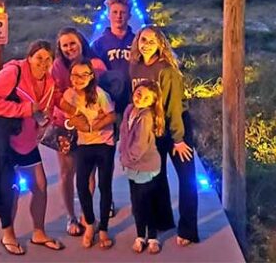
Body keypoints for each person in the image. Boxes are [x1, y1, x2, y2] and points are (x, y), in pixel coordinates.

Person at [0, 40, 64, 256]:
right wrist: (25, 108)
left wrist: (44, 118)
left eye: (48, 59)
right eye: (39, 58)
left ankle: (39, 232)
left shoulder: (49, 81)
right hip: (5, 141)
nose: (43, 63)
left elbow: (44, 108)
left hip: (27, 141)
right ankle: (8, 234)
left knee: (40, 186)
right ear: (29, 57)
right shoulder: (13, 72)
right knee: (11, 189)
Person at [129, 26, 200, 246]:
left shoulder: (167, 70)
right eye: (143, 39)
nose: (146, 43)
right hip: (151, 128)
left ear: (160, 43)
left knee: (186, 178)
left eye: (151, 40)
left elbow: (174, 107)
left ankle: (188, 229)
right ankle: (163, 220)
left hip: (175, 125)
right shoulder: (136, 67)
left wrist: (178, 139)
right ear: (137, 42)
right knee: (156, 178)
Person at [50, 27, 107, 236]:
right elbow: (54, 95)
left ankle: (86, 213)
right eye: (64, 45)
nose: (69, 48)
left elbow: (101, 93)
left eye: (72, 43)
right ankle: (71, 216)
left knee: (89, 172)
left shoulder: (96, 64)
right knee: (66, 172)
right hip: (64, 125)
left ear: (81, 42)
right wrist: (72, 111)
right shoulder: (57, 67)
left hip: (89, 126)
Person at [60, 61, 117, 249]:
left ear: (91, 76)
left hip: (104, 143)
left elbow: (111, 116)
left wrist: (93, 125)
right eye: (74, 75)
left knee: (104, 185)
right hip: (84, 144)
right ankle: (90, 225)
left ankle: (104, 230)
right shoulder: (69, 95)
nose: (78, 79)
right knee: (81, 184)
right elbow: (68, 114)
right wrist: (78, 121)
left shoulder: (100, 94)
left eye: (83, 75)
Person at [119, 81, 166, 255]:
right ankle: (140, 235)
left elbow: (140, 145)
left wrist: (127, 158)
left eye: (146, 98)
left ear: (152, 102)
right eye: (139, 93)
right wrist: (122, 153)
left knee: (146, 202)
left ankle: (152, 236)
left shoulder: (146, 116)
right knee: (136, 202)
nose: (140, 98)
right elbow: (124, 134)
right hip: (132, 165)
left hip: (145, 166)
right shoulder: (129, 110)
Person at [91, 0, 135, 120]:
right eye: (115, 12)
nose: (119, 16)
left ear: (129, 15)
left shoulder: (137, 41)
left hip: (132, 100)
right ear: (108, 15)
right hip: (109, 101)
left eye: (123, 12)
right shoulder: (99, 44)